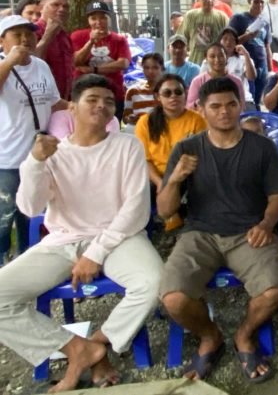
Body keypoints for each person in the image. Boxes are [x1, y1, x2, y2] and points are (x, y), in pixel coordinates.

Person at [1, 73, 161, 392]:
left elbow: (136, 211)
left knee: (154, 282)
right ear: (71, 108)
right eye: (92, 100)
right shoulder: (51, 151)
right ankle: (78, 350)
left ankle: (99, 342)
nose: (102, 106)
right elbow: (31, 208)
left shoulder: (127, 144)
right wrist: (33, 164)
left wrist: (95, 253)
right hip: (64, 239)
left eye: (109, 102)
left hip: (120, 238)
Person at [158, 77, 278, 383]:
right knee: (173, 297)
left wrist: (266, 224)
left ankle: (244, 335)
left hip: (249, 231)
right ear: (201, 109)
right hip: (200, 233)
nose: (224, 112)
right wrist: (176, 178)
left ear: (241, 105)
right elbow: (165, 210)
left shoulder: (262, 147)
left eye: (231, 104)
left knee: (274, 289)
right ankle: (210, 336)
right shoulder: (187, 149)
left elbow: (277, 197)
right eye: (215, 106)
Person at [0, 15, 65, 264]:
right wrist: (10, 62)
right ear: (2, 41)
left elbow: (53, 100)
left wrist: (75, 107)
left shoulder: (41, 66)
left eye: (29, 33)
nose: (25, 39)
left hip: (37, 155)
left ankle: (25, 260)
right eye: (16, 34)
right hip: (7, 158)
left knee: (31, 213)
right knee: (4, 218)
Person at [134, 74, 206, 230]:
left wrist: (173, 179)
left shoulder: (197, 120)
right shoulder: (145, 122)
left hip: (184, 173)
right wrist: (161, 183)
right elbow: (143, 160)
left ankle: (175, 218)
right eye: (167, 93)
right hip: (154, 176)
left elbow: (200, 156)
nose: (173, 96)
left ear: (185, 93)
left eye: (178, 92)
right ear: (158, 97)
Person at [71, 1, 131, 120]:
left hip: (113, 93)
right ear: (88, 20)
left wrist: (93, 69)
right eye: (94, 18)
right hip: (84, 93)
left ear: (109, 19)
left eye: (103, 18)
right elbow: (75, 61)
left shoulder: (119, 39)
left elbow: (123, 63)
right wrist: (91, 42)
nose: (98, 22)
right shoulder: (77, 36)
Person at [229, 0, 274, 110]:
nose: (259, 5)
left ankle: (257, 120)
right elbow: (229, 42)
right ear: (249, 2)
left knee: (259, 97)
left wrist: (270, 68)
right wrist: (247, 36)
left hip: (261, 64)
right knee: (248, 96)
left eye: (262, 2)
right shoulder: (238, 19)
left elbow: (267, 46)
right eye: (256, 1)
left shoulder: (264, 23)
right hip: (245, 64)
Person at [34, 0, 74, 99]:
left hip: (63, 100)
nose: (62, 9)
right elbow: (30, 63)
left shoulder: (65, 35)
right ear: (41, 7)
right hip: (41, 100)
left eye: (65, 6)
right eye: (55, 5)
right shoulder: (31, 32)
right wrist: (48, 36)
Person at [186, 43, 246, 110]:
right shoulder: (198, 81)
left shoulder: (236, 81)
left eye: (221, 56)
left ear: (226, 57)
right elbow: (190, 107)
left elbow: (241, 106)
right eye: (212, 56)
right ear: (206, 58)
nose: (217, 60)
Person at [179, 0, 228, 65]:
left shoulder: (222, 17)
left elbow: (227, 41)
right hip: (195, 62)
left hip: (216, 64)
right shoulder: (190, 16)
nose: (209, 0)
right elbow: (182, 39)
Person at [213, 27, 256, 110]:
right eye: (225, 39)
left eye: (232, 40)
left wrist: (246, 54)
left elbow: (251, 77)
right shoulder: (212, 60)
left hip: (243, 99)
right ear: (219, 42)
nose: (228, 42)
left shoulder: (243, 59)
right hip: (218, 98)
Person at [122, 52, 162, 126]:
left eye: (155, 67)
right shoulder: (133, 91)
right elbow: (125, 118)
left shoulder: (168, 91)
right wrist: (130, 119)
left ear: (162, 69)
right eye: (146, 68)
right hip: (139, 130)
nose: (150, 71)